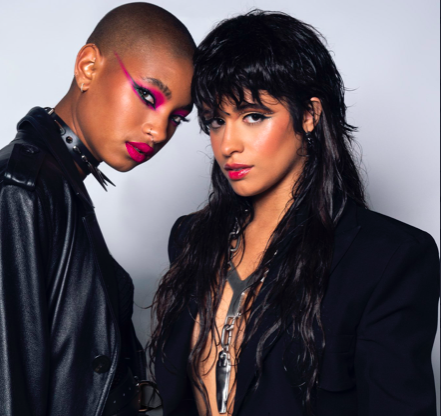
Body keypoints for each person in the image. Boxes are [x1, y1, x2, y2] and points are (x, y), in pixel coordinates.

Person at [151, 10, 439, 416]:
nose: (228, 144)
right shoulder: (190, 239)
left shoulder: (387, 258)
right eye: (216, 121)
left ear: (309, 114)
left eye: (254, 116)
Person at [0, 3, 194, 415]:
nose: (158, 130)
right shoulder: (21, 192)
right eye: (148, 96)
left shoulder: (59, 188)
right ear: (88, 67)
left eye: (177, 117)